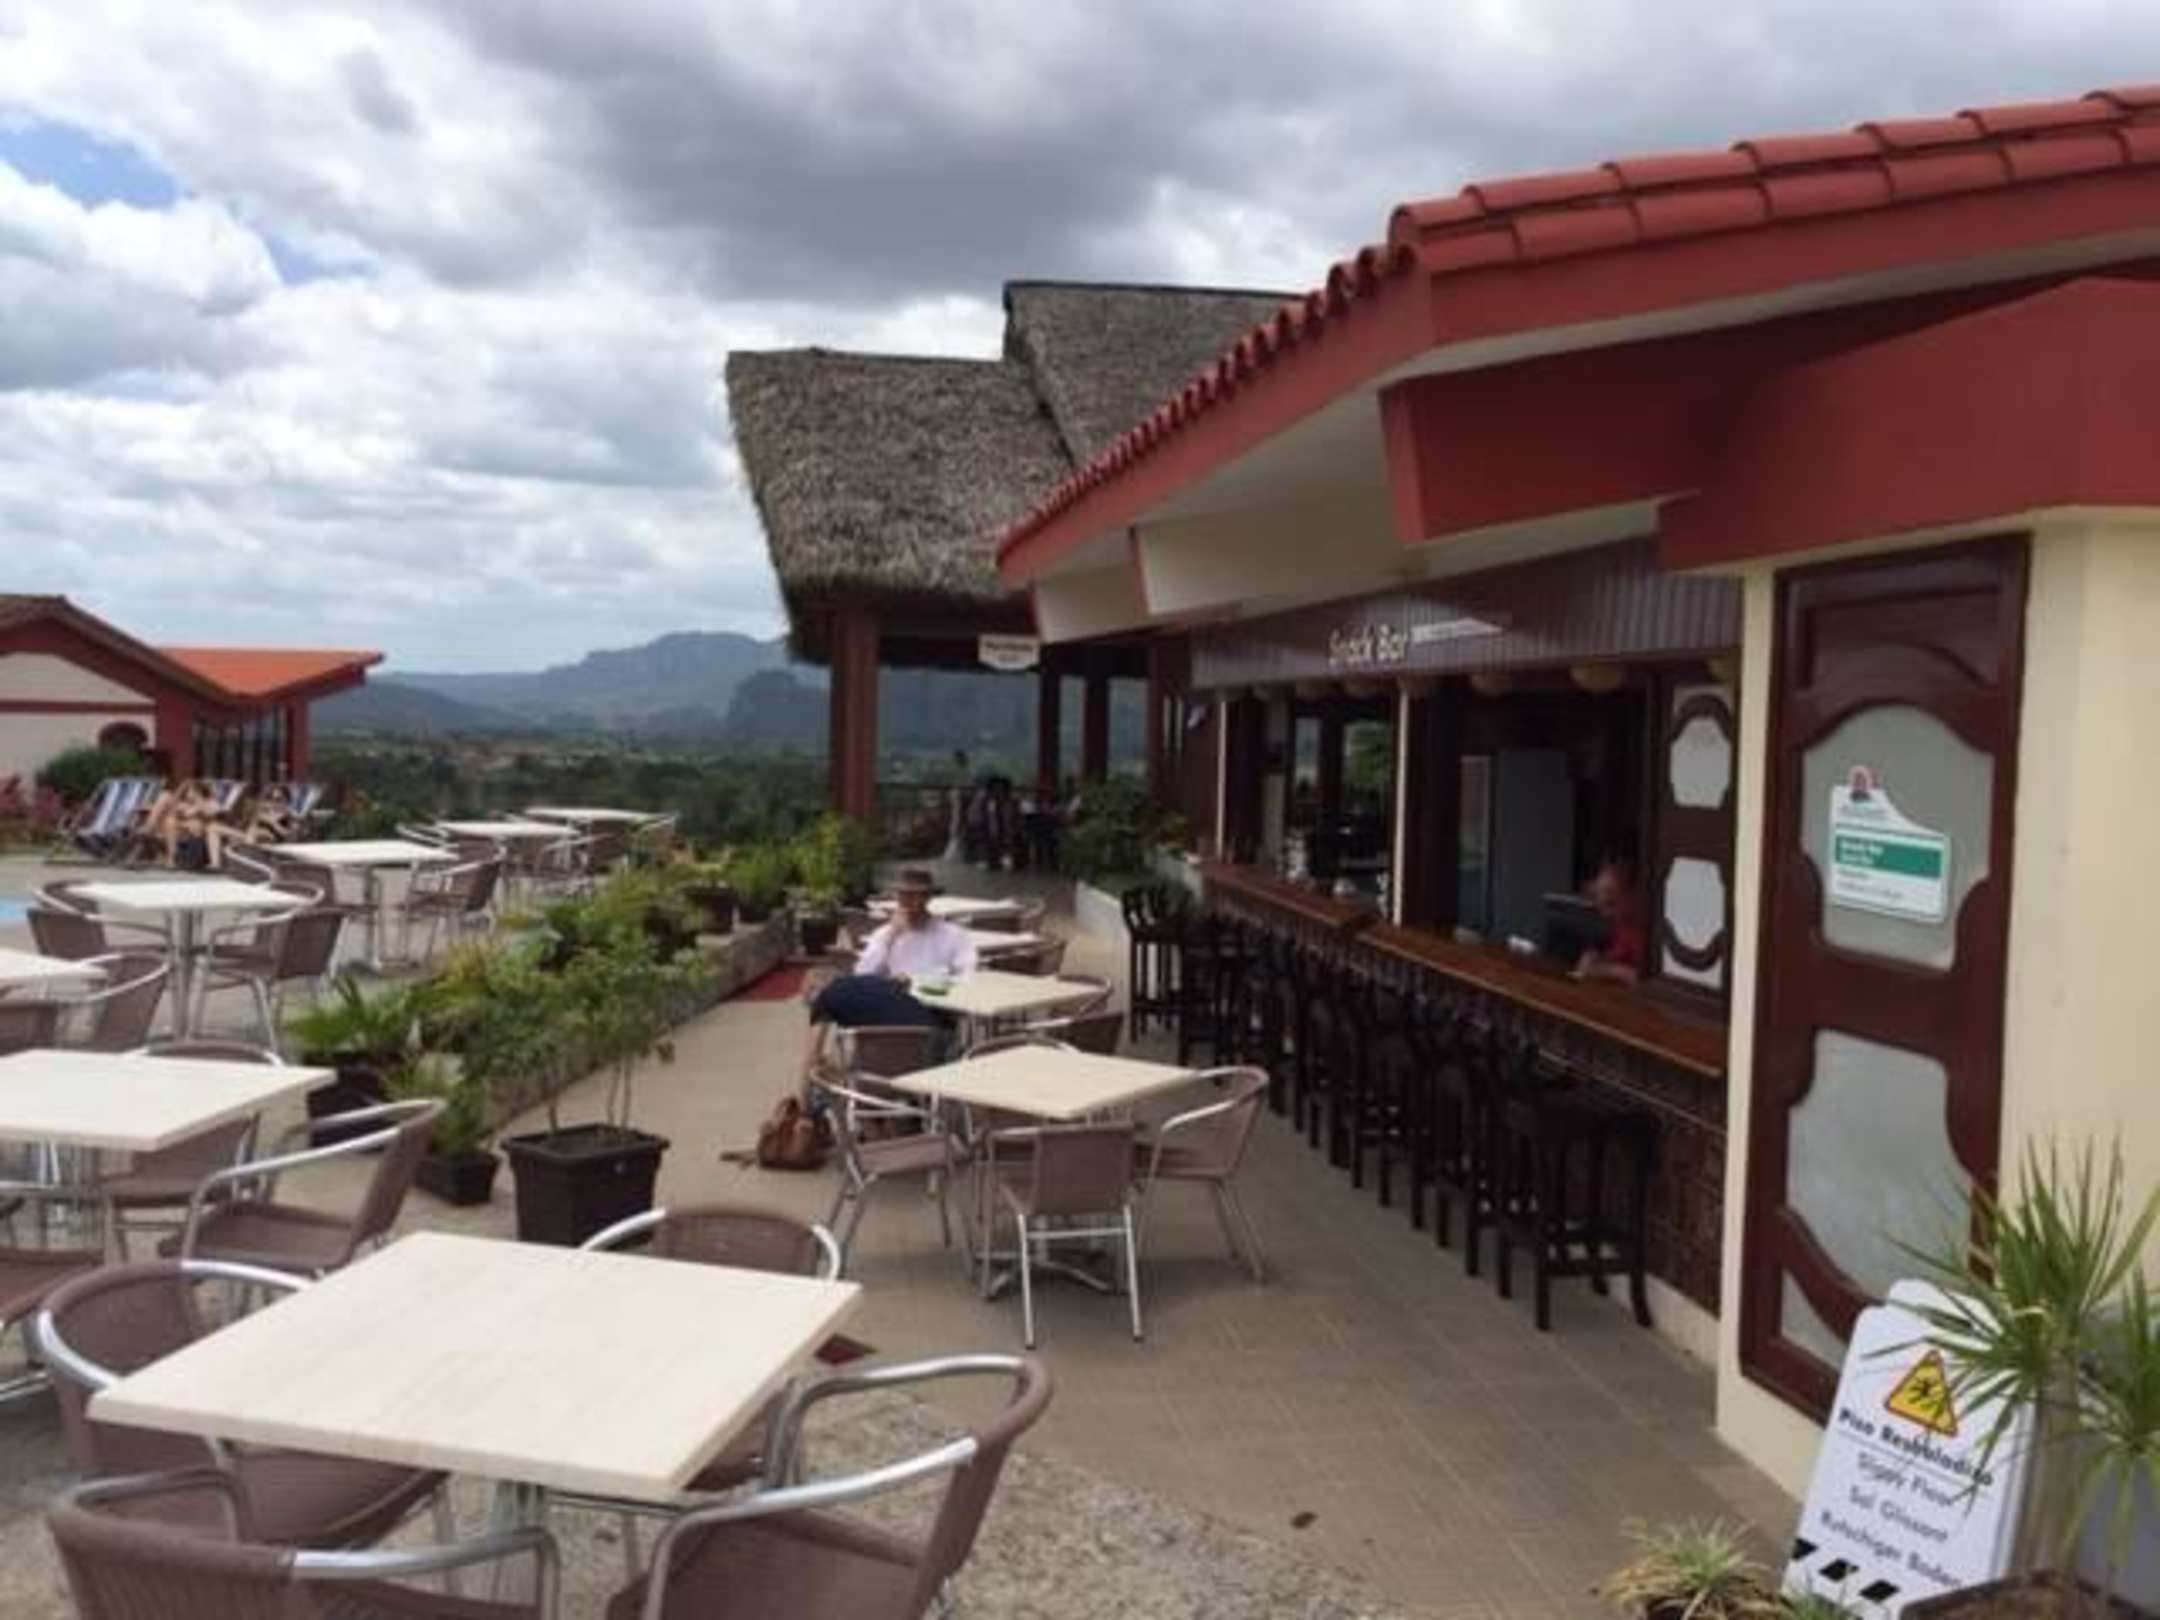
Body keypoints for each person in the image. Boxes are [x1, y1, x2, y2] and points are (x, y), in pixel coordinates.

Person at [796, 867, 979, 1095]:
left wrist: (920, 981)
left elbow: (969, 978)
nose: (906, 901)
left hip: (934, 1020)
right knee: (836, 1044)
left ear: (927, 897)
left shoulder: (952, 935)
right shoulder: (885, 935)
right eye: (902, 894)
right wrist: (891, 935)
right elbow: (862, 976)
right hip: (883, 1024)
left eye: (913, 895)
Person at [1576, 857, 1646, 985]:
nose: (1605, 914)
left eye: (1611, 904)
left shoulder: (1651, 929)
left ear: (1634, 894)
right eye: (1601, 906)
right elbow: (1617, 957)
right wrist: (1596, 960)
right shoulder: (1623, 925)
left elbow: (1650, 981)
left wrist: (1607, 970)